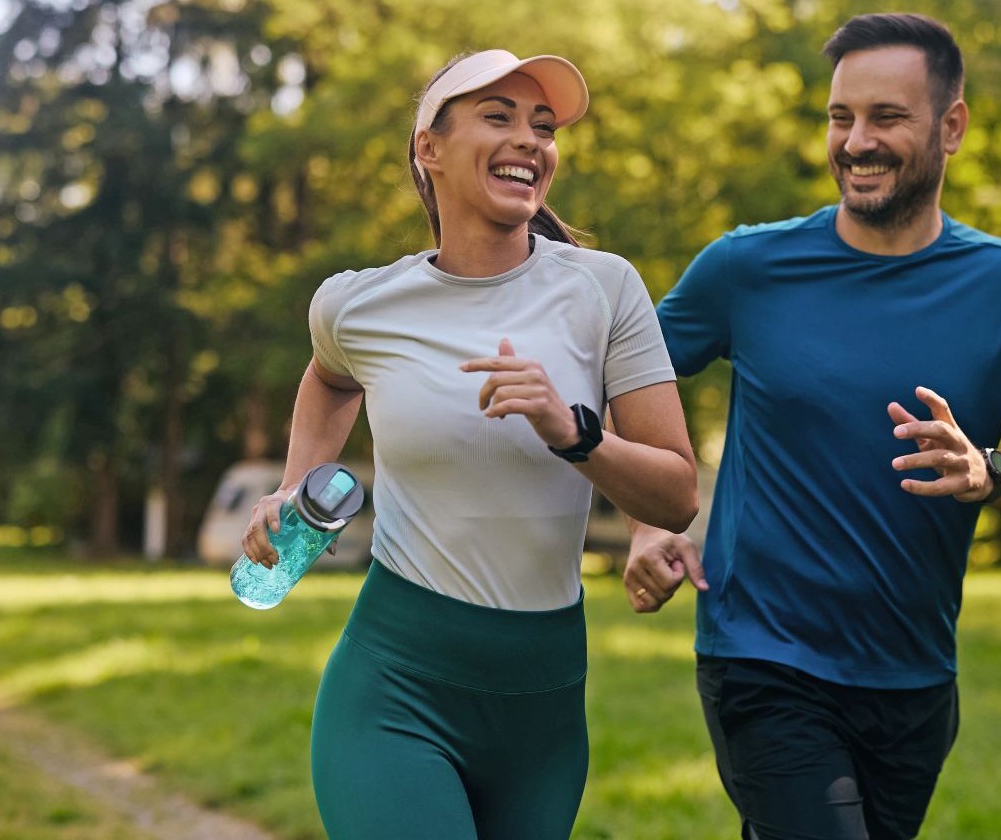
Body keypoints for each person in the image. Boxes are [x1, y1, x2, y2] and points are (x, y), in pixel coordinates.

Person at [623, 13, 1001, 840]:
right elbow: (628, 379)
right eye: (840, 118)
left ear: (952, 127)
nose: (856, 142)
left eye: (887, 117)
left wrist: (991, 470)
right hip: (762, 657)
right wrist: (647, 516)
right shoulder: (747, 268)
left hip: (913, 677)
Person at [239, 50, 698, 840]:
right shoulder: (358, 305)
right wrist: (294, 484)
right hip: (396, 689)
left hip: (543, 709)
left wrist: (575, 434)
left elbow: (677, 493)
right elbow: (329, 378)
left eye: (543, 127)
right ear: (430, 148)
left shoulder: (605, 289)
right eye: (498, 117)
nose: (530, 140)